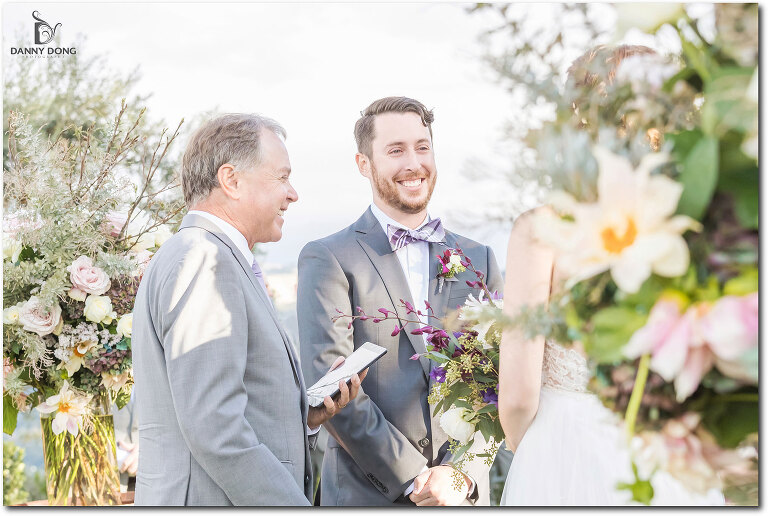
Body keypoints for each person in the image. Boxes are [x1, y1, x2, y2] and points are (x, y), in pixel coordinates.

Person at [497, 46, 725, 506]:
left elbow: (518, 397)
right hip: (671, 451)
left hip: (567, 443)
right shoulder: (697, 221)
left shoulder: (542, 230)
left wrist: (537, 456)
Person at [132, 113, 364, 506]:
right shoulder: (203, 261)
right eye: (282, 177)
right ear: (232, 180)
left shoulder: (207, 256)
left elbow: (225, 405)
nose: (293, 194)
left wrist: (304, 417)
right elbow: (215, 429)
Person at [297, 96, 503, 506]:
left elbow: (500, 378)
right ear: (364, 164)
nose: (414, 163)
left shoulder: (478, 258)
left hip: (461, 496)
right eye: (396, 151)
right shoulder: (329, 257)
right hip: (366, 495)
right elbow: (332, 383)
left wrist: (461, 473)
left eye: (422, 147)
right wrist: (415, 478)